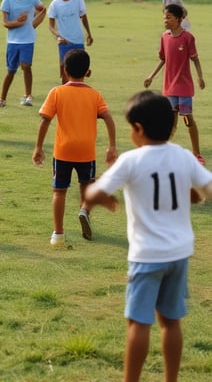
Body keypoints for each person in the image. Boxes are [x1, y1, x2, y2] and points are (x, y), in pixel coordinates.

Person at [84, 90, 212, 382]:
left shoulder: (131, 161)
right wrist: (192, 195)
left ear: (138, 129)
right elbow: (207, 191)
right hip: (179, 254)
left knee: (138, 323)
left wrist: (101, 199)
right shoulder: (183, 156)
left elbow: (92, 191)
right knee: (171, 321)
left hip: (147, 256)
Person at [32, 49, 117, 246]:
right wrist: (111, 146)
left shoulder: (57, 92)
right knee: (87, 187)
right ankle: (84, 211)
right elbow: (109, 119)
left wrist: (38, 147)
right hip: (86, 151)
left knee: (59, 191)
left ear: (64, 70)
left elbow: (44, 121)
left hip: (63, 150)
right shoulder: (95, 95)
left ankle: (58, 234)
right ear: (88, 72)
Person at [144, 3, 205, 165]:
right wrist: (151, 77)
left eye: (169, 17)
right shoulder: (164, 37)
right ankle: (162, 152)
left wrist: (200, 77)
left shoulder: (188, 38)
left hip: (184, 87)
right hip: (169, 87)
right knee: (170, 121)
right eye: (164, 17)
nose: (165, 20)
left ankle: (197, 153)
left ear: (178, 19)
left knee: (187, 118)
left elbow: (195, 59)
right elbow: (163, 59)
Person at [0, 0, 46, 108]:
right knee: (11, 70)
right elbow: (5, 23)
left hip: (28, 40)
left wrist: (33, 24)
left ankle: (28, 96)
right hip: (13, 41)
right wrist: (19, 22)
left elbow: (43, 10)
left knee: (26, 66)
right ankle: (2, 98)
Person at [47, 0, 93, 84]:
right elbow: (51, 26)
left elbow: (83, 17)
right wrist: (58, 36)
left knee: (79, 70)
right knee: (65, 72)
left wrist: (88, 34)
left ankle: (79, 91)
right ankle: (65, 95)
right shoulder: (55, 4)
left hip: (78, 40)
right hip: (64, 42)